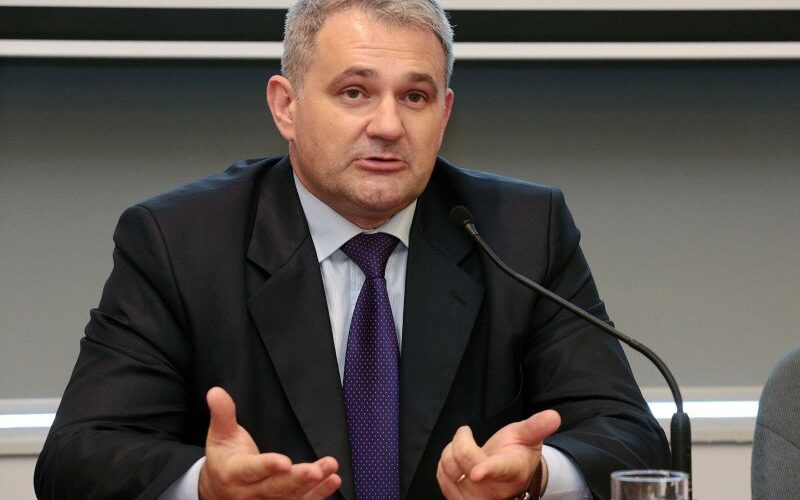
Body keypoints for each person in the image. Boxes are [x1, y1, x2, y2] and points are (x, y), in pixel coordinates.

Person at [34, 0, 670, 499]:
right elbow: (77, 456)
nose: (389, 126)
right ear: (286, 106)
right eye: (354, 92)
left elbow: (630, 437)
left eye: (415, 97)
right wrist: (205, 484)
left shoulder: (520, 232)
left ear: (444, 115)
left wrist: (537, 472)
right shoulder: (180, 240)